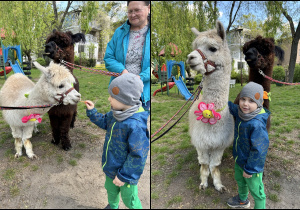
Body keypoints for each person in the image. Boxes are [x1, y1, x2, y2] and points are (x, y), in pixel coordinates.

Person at [85, 73, 149, 209]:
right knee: (111, 191)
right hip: (110, 166)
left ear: (126, 100)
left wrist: (124, 175)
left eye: (112, 97)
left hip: (126, 175)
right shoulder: (115, 113)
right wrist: (92, 111)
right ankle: (113, 206)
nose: (109, 99)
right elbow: (104, 122)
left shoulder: (135, 125)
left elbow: (138, 155)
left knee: (129, 200)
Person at [227, 82, 270, 209]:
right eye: (243, 99)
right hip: (240, 160)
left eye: (251, 101)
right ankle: (242, 200)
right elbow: (233, 108)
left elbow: (259, 150)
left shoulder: (257, 125)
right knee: (240, 181)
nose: (245, 104)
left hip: (251, 167)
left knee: (257, 191)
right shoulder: (242, 113)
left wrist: (250, 169)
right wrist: (222, 102)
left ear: (260, 103)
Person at [104, 1, 150, 111]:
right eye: (130, 11)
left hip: (142, 92)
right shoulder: (119, 33)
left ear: (148, 8)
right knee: (116, 124)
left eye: (137, 10)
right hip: (120, 90)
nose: (133, 14)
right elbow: (108, 57)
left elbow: (154, 68)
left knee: (138, 125)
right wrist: (123, 72)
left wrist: (140, 78)